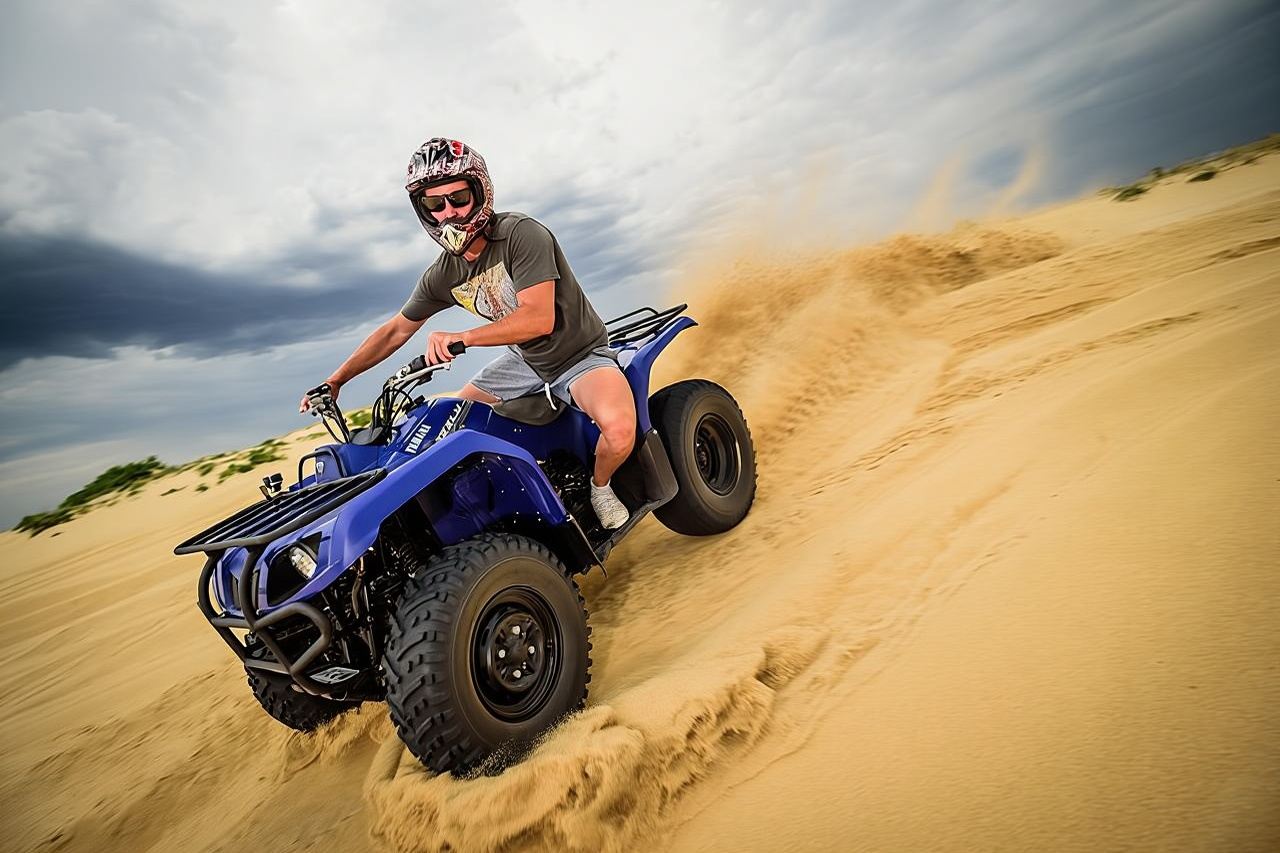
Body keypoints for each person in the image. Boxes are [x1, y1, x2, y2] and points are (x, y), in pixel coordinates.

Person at [300, 138, 634, 529]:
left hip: (577, 356)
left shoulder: (520, 235)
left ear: (480, 192)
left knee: (619, 429)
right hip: (523, 361)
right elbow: (394, 331)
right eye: (434, 204)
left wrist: (462, 338)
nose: (448, 213)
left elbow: (538, 319)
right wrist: (336, 379)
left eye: (458, 198)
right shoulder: (444, 274)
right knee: (449, 426)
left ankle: (601, 486)